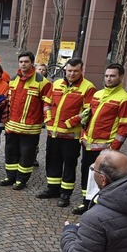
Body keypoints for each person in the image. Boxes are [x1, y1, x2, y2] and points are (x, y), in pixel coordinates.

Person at [72, 63, 127, 214]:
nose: (108, 79)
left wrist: (114, 148)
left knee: (103, 177)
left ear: (121, 77)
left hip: (105, 147)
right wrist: (83, 136)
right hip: (88, 144)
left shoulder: (125, 99)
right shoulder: (98, 94)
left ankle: (98, 204)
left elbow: (124, 127)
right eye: (106, 76)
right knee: (87, 173)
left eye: (112, 76)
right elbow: (88, 117)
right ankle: (86, 201)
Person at [36, 58, 96, 208]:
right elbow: (47, 103)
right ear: (65, 70)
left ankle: (65, 194)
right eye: (69, 70)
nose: (72, 74)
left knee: (69, 165)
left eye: (76, 71)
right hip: (53, 133)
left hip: (71, 136)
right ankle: (52, 188)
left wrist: (70, 122)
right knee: (52, 160)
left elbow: (88, 112)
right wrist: (48, 120)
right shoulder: (56, 84)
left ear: (81, 71)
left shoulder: (88, 87)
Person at [0, 51, 52, 190]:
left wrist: (46, 122)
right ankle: (10, 176)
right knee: (10, 152)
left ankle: (21, 180)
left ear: (32, 63)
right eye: (21, 62)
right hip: (12, 126)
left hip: (30, 128)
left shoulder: (43, 82)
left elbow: (47, 105)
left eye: (26, 62)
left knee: (26, 155)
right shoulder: (13, 79)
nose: (23, 64)